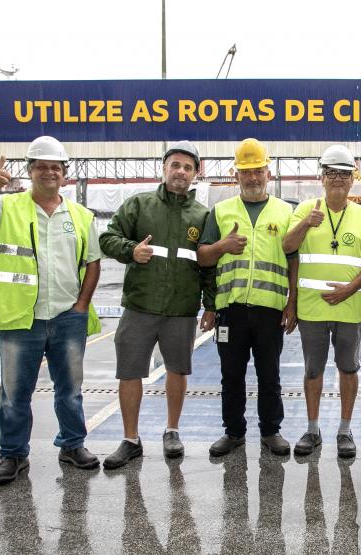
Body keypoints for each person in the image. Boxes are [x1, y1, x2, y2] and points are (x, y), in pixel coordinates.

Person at [0, 136, 102, 485]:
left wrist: (81, 306)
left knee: (70, 391)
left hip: (67, 317)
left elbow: (93, 262)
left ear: (65, 173)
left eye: (55, 167)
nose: (49, 172)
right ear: (30, 170)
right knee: (15, 393)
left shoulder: (80, 215)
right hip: (19, 319)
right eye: (41, 167)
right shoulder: (4, 207)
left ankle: (72, 445)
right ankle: (13, 454)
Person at [98, 141, 212, 468]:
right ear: (164, 168)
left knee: (178, 369)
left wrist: (210, 305)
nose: (181, 172)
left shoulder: (202, 216)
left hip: (181, 309)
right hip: (140, 305)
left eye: (187, 167)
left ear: (196, 173)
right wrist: (131, 250)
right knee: (129, 371)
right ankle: (130, 439)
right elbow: (107, 238)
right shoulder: (139, 205)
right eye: (175, 165)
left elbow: (208, 266)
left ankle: (172, 431)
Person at [198, 138, 296, 457]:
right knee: (231, 376)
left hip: (270, 310)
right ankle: (233, 433)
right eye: (246, 171)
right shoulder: (220, 212)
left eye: (258, 170)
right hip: (231, 311)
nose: (252, 177)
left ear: (269, 172)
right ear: (235, 174)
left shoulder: (286, 212)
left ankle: (271, 431)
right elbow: (203, 258)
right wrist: (221, 247)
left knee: (270, 375)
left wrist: (292, 303)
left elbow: (294, 260)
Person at [282, 145, 361, 458]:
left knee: (348, 369)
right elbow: (287, 247)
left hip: (350, 309)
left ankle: (344, 430)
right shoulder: (305, 210)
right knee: (313, 370)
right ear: (322, 178)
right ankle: (312, 430)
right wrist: (305, 224)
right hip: (311, 309)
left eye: (344, 173)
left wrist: (349, 289)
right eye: (331, 173)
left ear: (353, 179)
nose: (337, 178)